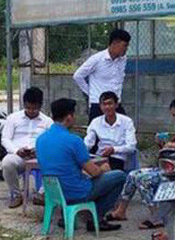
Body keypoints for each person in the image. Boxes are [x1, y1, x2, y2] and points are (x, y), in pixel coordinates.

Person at [36, 98, 126, 232]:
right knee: (119, 176)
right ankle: (96, 217)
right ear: (69, 117)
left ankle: (68, 216)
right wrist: (103, 168)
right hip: (76, 191)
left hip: (53, 191)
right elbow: (94, 172)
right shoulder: (74, 140)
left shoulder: (41, 139)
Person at [107, 97, 175, 230]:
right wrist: (164, 146)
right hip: (170, 166)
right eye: (174, 115)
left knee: (144, 180)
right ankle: (121, 210)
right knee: (133, 174)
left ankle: (156, 216)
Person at [1, 87, 52, 209]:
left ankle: (41, 194)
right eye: (28, 107)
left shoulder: (47, 122)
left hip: (39, 155)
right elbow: (5, 139)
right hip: (18, 155)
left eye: (34, 108)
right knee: (7, 163)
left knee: (55, 163)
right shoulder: (13, 118)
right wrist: (16, 150)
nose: (31, 111)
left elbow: (50, 142)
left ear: (40, 105)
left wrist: (39, 150)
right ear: (24, 104)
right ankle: (17, 195)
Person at [73, 29, 131, 122]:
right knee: (95, 133)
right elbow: (78, 76)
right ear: (115, 43)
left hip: (116, 103)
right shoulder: (97, 59)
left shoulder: (123, 59)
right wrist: (90, 93)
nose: (126, 49)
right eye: (124, 45)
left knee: (124, 128)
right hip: (99, 104)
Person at [84, 91, 137, 171]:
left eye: (110, 104)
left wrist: (113, 149)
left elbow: (131, 147)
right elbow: (88, 143)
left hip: (118, 159)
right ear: (100, 106)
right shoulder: (95, 122)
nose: (107, 107)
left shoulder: (127, 121)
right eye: (104, 104)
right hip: (100, 158)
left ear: (116, 105)